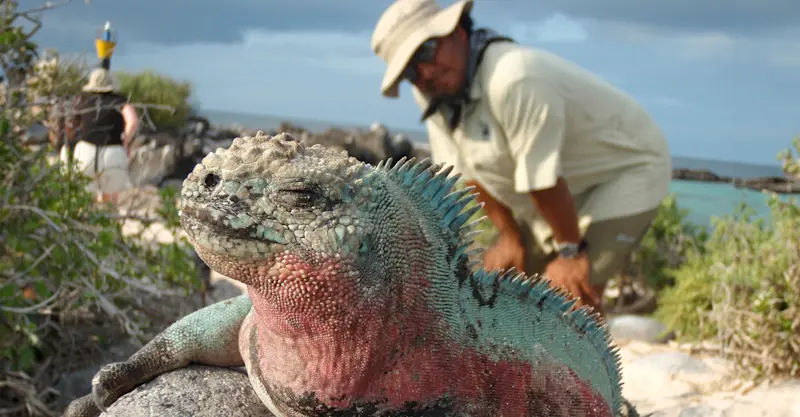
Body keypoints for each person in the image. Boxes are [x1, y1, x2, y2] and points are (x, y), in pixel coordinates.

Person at [370, 0, 672, 315]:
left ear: (456, 31)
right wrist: (510, 237)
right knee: (490, 292)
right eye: (410, 70)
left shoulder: (513, 77)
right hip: (552, 199)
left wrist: (570, 252)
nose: (426, 72)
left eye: (426, 50)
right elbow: (464, 172)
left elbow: (542, 178)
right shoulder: (433, 91)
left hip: (624, 174)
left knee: (566, 300)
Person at [52, 68, 139, 205]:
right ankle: (109, 223)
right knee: (110, 201)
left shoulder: (81, 100)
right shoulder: (120, 101)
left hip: (86, 151)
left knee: (85, 200)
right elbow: (133, 121)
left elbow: (70, 126)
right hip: (112, 153)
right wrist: (125, 142)